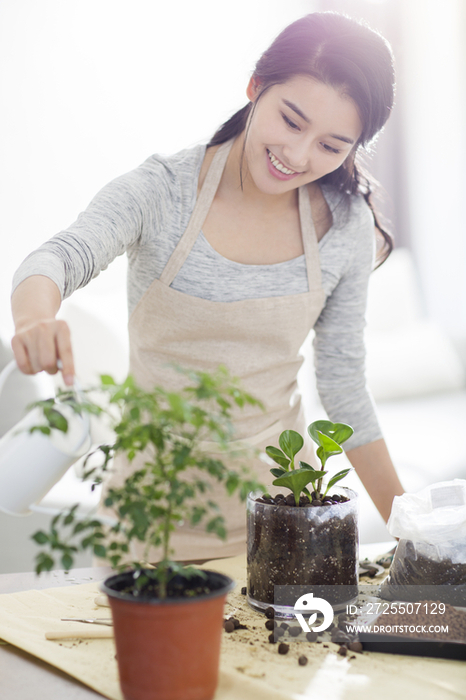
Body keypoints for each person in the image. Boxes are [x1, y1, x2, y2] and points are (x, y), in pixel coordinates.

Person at [10, 12, 404, 561]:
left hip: (282, 524)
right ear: (255, 88)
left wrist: (417, 540)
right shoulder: (162, 192)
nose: (297, 156)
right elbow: (58, 256)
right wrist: (33, 319)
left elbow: (343, 390)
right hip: (151, 522)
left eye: (331, 146)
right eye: (291, 122)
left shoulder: (344, 224)